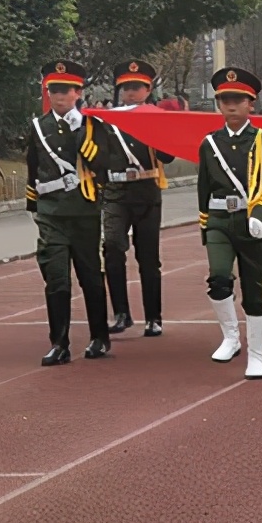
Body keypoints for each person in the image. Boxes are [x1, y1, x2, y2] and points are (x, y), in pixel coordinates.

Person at [25, 61, 112, 366]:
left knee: (90, 277)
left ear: (78, 93)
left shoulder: (92, 126)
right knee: (56, 278)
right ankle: (59, 343)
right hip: (52, 214)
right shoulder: (39, 126)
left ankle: (99, 336)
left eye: (65, 91)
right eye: (54, 91)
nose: (59, 96)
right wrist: (34, 207)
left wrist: (83, 137)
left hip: (84, 211)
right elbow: (33, 166)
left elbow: (104, 164)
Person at [198, 67, 262, 379]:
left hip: (250, 217)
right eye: (225, 100)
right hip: (219, 218)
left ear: (250, 104)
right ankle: (231, 337)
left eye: (237, 99)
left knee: (254, 289)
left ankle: (256, 356)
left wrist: (258, 213)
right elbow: (204, 186)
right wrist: (205, 224)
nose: (231, 105)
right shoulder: (209, 143)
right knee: (218, 278)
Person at [102, 60, 176, 338]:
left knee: (148, 258)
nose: (131, 93)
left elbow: (168, 155)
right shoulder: (107, 120)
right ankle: (121, 313)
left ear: (148, 89)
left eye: (137, 87)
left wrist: (155, 129)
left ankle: (153, 317)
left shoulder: (156, 117)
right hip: (116, 192)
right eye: (126, 88)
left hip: (146, 191)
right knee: (112, 249)